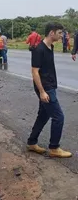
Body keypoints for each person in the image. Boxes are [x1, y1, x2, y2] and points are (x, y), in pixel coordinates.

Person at [27, 22, 72, 158]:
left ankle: (31, 142)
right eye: (59, 33)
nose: (61, 35)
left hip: (50, 86)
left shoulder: (50, 47)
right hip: (45, 88)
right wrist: (42, 91)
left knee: (43, 115)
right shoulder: (39, 49)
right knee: (58, 117)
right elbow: (35, 72)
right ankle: (54, 147)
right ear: (51, 33)